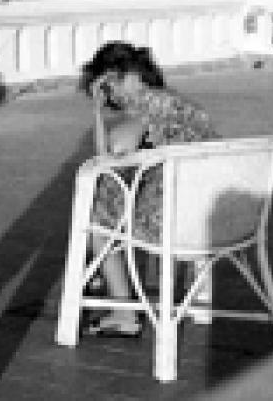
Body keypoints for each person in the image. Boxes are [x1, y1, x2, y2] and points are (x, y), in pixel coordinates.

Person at [78, 41, 215, 338]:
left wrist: (97, 113)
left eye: (108, 90)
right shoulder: (180, 104)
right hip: (214, 217)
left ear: (117, 77)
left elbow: (111, 155)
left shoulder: (146, 104)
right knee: (112, 199)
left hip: (173, 222)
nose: (113, 100)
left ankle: (123, 312)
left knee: (96, 215)